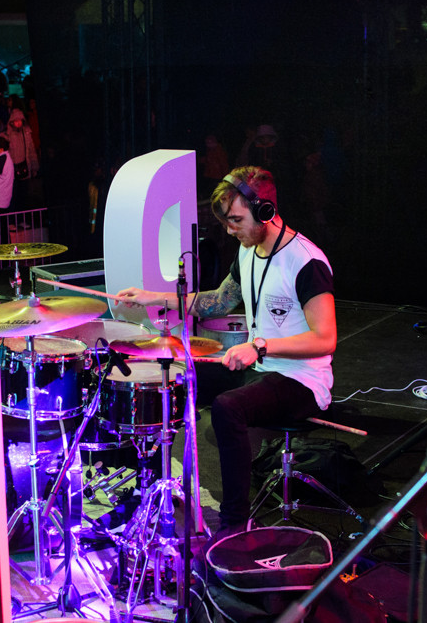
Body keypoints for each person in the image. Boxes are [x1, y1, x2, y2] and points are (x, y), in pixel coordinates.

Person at [116, 166, 336, 534]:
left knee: (228, 407)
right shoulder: (248, 251)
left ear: (265, 211)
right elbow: (219, 301)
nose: (231, 230)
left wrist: (260, 346)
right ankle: (151, 488)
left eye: (236, 220)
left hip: (302, 380)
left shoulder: (306, 262)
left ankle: (234, 524)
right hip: (262, 367)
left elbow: (325, 339)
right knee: (170, 377)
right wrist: (153, 297)